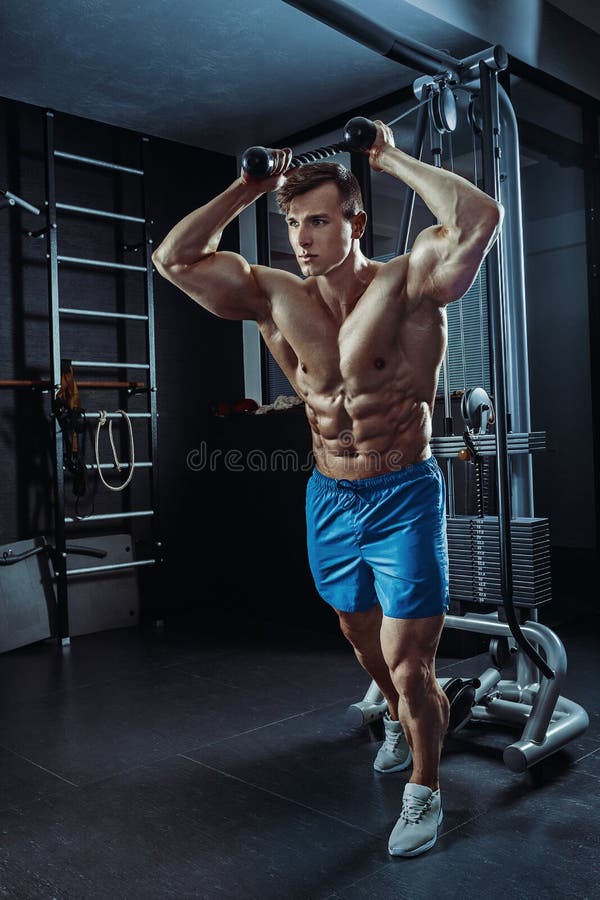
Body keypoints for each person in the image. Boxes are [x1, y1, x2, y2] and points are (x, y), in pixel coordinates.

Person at [152, 120, 503, 858]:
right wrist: (246, 188)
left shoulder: (410, 284)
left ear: (355, 221)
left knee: (412, 667)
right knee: (361, 639)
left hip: (404, 491)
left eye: (317, 219)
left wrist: (385, 156)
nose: (301, 236)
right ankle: (397, 709)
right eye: (291, 222)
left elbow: (480, 219)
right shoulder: (274, 297)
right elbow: (174, 258)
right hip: (330, 496)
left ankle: (424, 787)